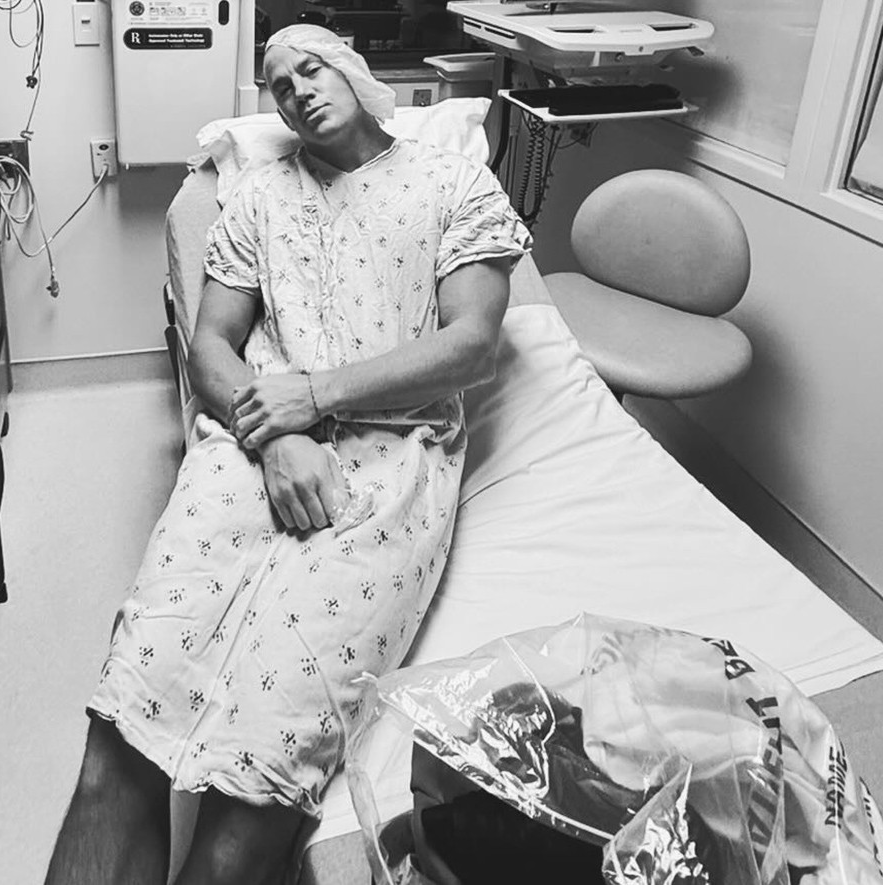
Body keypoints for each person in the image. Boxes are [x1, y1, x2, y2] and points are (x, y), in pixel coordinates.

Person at [44, 24, 531, 885]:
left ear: (353, 69)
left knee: (254, 797)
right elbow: (210, 348)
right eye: (277, 85)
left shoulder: (454, 182)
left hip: (387, 470)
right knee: (118, 742)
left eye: (311, 68)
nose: (297, 90)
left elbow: (472, 347)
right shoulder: (257, 196)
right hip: (245, 447)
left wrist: (314, 395)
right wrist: (274, 434)